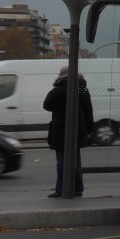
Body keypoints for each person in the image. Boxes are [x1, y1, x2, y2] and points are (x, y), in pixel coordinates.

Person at [43, 66, 94, 198]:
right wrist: (89, 130)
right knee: (75, 162)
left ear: (62, 76)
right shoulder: (82, 89)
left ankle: (61, 189)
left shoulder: (60, 90)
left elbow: (47, 105)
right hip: (77, 131)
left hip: (61, 131)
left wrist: (58, 88)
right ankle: (78, 189)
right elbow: (88, 110)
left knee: (61, 162)